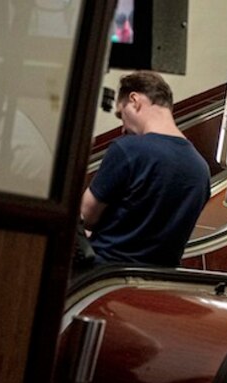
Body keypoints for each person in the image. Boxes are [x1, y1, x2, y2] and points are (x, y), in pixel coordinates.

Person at [81, 71, 210, 267]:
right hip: (157, 284)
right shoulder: (201, 169)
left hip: (104, 276)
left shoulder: (128, 149)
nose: (123, 128)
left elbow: (86, 215)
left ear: (134, 100)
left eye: (120, 114)